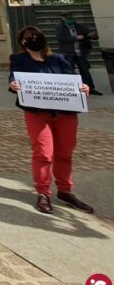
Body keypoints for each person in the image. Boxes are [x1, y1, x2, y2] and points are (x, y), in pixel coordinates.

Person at [9, 26, 93, 214]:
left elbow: (72, 79)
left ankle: (65, 191)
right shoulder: (19, 59)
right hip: (37, 113)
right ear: (21, 42)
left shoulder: (58, 59)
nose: (33, 39)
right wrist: (13, 85)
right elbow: (14, 77)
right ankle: (43, 192)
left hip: (65, 113)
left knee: (65, 153)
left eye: (36, 36)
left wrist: (83, 87)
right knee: (44, 153)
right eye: (28, 37)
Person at [55, 12, 101, 96]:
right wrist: (75, 37)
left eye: (71, 18)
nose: (71, 19)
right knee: (69, 70)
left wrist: (91, 34)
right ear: (63, 18)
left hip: (80, 52)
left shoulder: (77, 26)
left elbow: (88, 32)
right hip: (68, 52)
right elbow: (61, 38)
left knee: (85, 70)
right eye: (68, 18)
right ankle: (71, 89)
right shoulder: (60, 27)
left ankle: (90, 88)